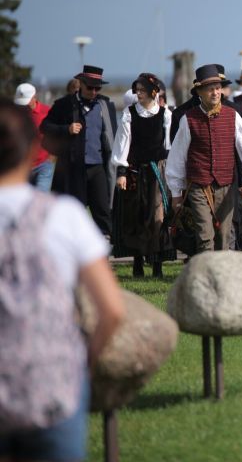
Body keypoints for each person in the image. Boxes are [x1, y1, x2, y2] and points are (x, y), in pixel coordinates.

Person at [0, 98, 124, 462]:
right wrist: (82, 365)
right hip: (53, 383)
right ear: (31, 151)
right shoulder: (64, 216)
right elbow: (113, 310)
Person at [166, 64, 242, 253]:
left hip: (226, 186)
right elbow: (177, 158)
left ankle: (222, 279)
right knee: (204, 237)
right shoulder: (188, 119)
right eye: (210, 89)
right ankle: (207, 278)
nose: (215, 92)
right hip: (198, 186)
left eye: (218, 88)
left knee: (224, 238)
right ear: (200, 92)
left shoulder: (232, 116)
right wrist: (176, 192)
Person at [41, 65, 117, 237]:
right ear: (81, 84)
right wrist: (66, 129)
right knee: (74, 212)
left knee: (103, 211)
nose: (94, 91)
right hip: (73, 168)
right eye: (90, 87)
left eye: (97, 88)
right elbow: (45, 126)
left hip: (97, 167)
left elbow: (113, 136)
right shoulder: (64, 105)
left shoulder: (105, 105)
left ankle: (104, 251)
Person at [111, 73, 175, 277]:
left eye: (142, 90)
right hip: (135, 171)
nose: (138, 93)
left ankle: (157, 265)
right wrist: (121, 171)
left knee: (158, 216)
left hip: (158, 170)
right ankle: (137, 263)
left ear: (153, 92)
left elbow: (169, 146)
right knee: (136, 215)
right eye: (137, 90)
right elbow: (122, 145)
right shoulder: (129, 114)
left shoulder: (166, 114)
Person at [14, 82, 53, 192]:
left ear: (34, 97)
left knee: (40, 200)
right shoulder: (16, 113)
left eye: (26, 102)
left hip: (44, 165)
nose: (24, 106)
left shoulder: (47, 112)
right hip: (23, 166)